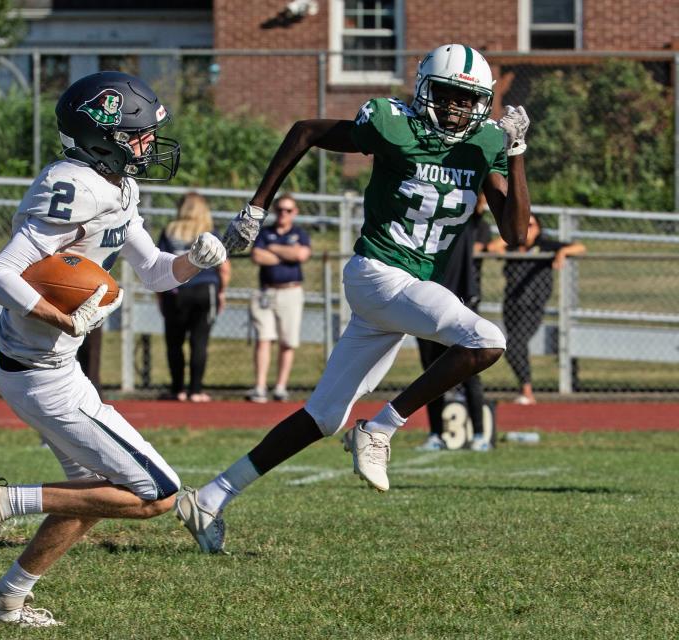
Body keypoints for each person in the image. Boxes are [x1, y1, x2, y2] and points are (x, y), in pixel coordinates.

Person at [175, 43, 532, 553]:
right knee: (486, 338)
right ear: (427, 89)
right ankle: (382, 428)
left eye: (467, 99)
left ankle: (210, 496)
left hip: (404, 288)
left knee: (323, 416)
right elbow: (305, 131)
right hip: (379, 273)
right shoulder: (393, 124)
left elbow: (516, 233)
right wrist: (257, 206)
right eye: (449, 95)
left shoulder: (485, 144)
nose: (456, 109)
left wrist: (516, 155)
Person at [0, 71, 227, 628]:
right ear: (104, 136)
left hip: (49, 365)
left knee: (90, 493)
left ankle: (5, 598)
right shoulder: (73, 183)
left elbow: (154, 272)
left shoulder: (119, 185)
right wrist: (64, 316)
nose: (149, 145)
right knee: (157, 492)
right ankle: (0, 502)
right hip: (41, 371)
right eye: (139, 135)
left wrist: (196, 262)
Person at [416, 194, 496, 451]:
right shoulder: (423, 229)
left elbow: (478, 200)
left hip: (461, 305)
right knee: (431, 374)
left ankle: (480, 435)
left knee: (469, 371)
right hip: (428, 305)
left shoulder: (468, 222)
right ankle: (435, 434)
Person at [487, 214, 585, 405]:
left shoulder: (545, 246)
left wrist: (562, 253)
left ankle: (527, 390)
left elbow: (580, 247)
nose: (527, 228)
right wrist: (512, 234)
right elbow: (492, 248)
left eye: (530, 225)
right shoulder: (513, 245)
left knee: (515, 345)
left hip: (533, 306)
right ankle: (525, 388)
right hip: (511, 305)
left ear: (539, 228)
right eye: (523, 224)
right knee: (514, 346)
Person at [157, 192, 231, 402]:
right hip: (205, 289)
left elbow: (160, 264)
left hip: (175, 291)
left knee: (174, 342)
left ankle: (177, 389)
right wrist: (222, 292)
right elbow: (224, 268)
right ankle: (196, 390)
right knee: (200, 341)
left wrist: (160, 297)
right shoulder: (210, 233)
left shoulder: (170, 231)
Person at [245, 193, 311, 403]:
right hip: (266, 291)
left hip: (291, 292)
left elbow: (301, 255)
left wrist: (273, 250)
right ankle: (260, 386)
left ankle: (280, 387)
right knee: (264, 339)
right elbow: (257, 256)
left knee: (287, 341)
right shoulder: (265, 233)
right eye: (280, 209)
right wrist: (286, 254)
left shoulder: (299, 233)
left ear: (295, 212)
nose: (284, 214)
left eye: (288, 210)